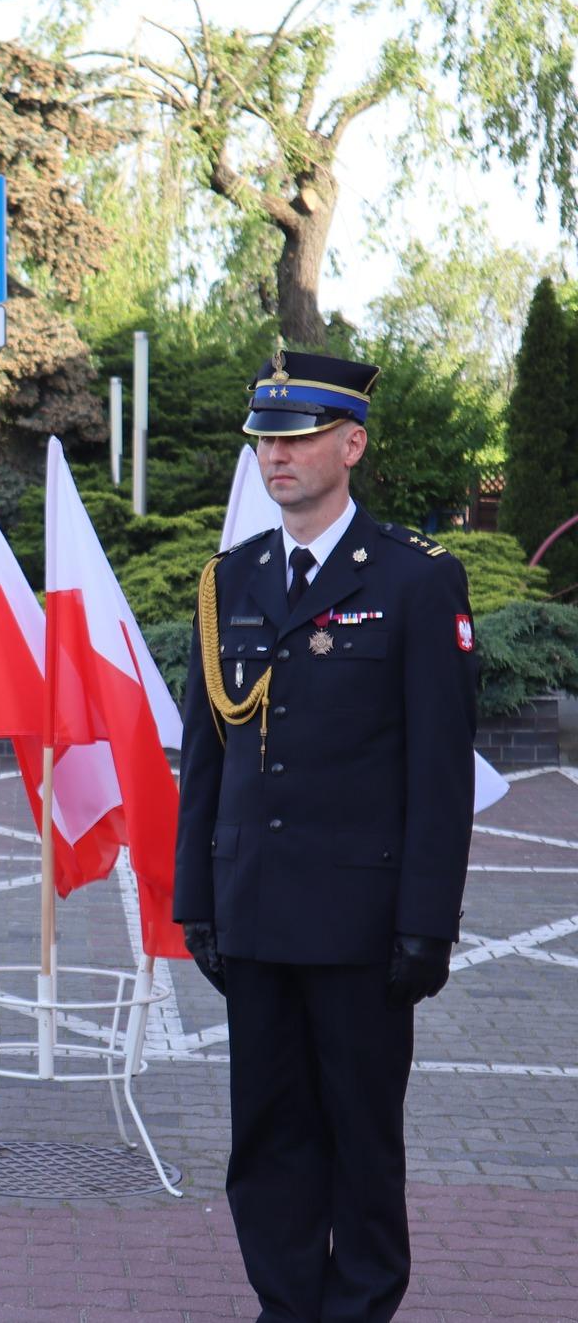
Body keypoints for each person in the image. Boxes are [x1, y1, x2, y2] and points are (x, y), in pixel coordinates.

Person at [175, 347, 479, 1323]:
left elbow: (439, 775)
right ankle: (286, 1304)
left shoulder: (415, 579)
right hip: (255, 913)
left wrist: (425, 923)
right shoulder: (229, 581)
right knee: (266, 1139)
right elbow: (206, 761)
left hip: (359, 924)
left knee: (360, 1140)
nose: (276, 456)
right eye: (265, 440)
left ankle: (355, 1309)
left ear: (350, 445)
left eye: (299, 438)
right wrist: (195, 900)